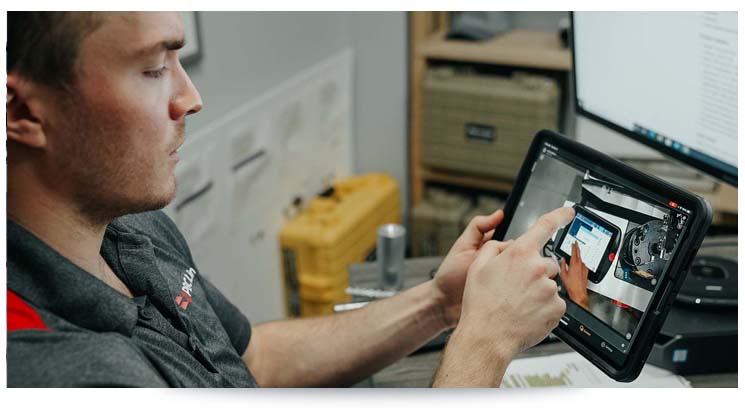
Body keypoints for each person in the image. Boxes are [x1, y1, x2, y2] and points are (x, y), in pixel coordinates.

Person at [6, 11, 575, 387]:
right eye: (154, 69)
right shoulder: (61, 372)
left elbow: (254, 361)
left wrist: (442, 305)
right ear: (23, 112)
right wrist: (485, 339)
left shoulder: (129, 227)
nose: (192, 97)